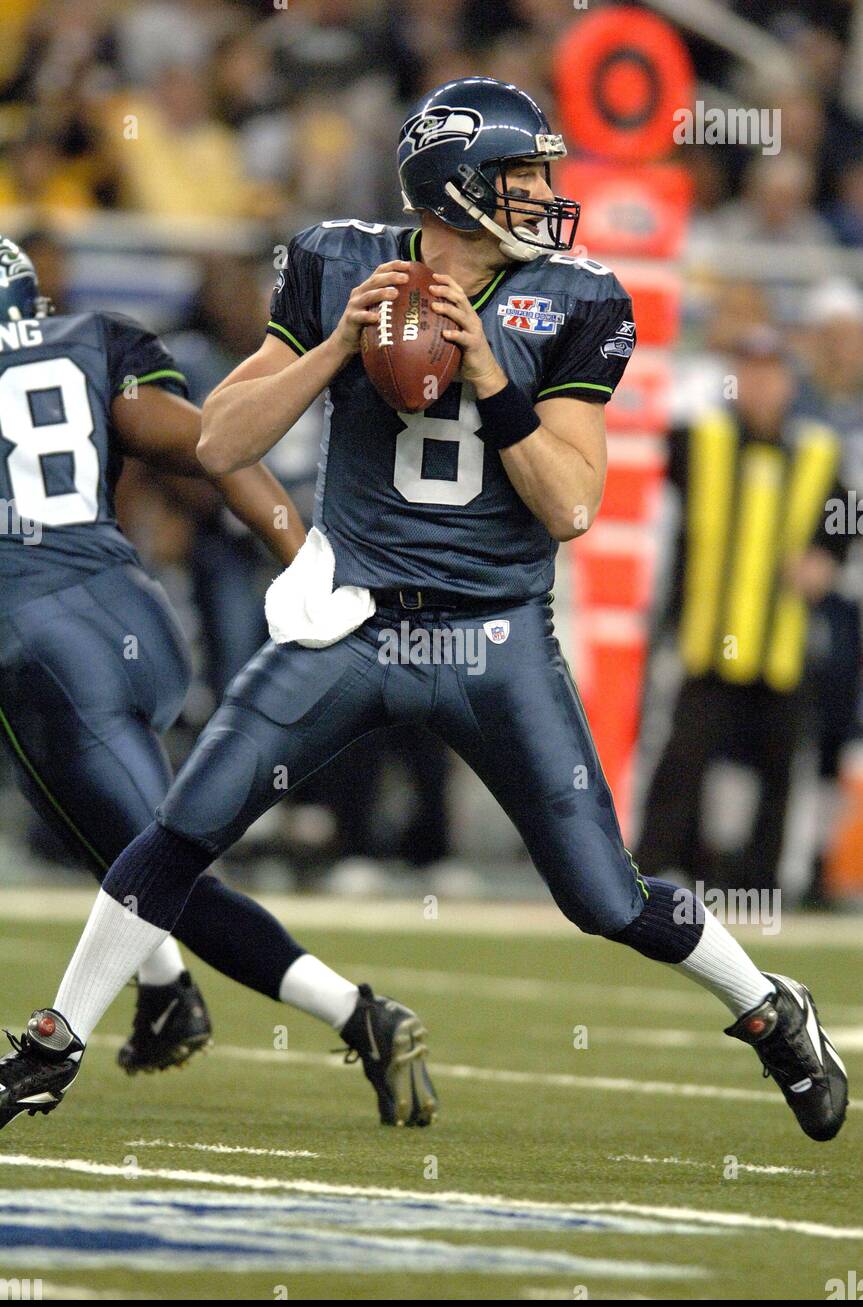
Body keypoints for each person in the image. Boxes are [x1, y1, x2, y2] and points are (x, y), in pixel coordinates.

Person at [0, 79, 847, 1143]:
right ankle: (53, 1044)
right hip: (352, 619)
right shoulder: (337, 263)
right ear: (457, 189)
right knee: (178, 832)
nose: (544, 193)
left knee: (602, 896)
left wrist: (493, 379)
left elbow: (572, 503)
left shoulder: (575, 299)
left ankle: (770, 1010)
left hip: (492, 633)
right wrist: (332, 352)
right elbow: (219, 443)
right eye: (522, 174)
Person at [0, 236, 433, 1122]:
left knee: (159, 870)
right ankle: (163, 994)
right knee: (99, 823)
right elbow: (215, 447)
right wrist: (303, 553)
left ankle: (359, 1015)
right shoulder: (94, 339)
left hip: (41, 646)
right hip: (136, 621)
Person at [636, 328, 848, 893]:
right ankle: (651, 872)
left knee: (779, 771)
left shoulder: (816, 451)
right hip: (708, 634)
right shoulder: (698, 439)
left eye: (771, 373)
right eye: (749, 371)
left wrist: (826, 558)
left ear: (788, 383)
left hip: (780, 640)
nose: (759, 385)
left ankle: (762, 883)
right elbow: (636, 459)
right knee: (683, 760)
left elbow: (845, 520)